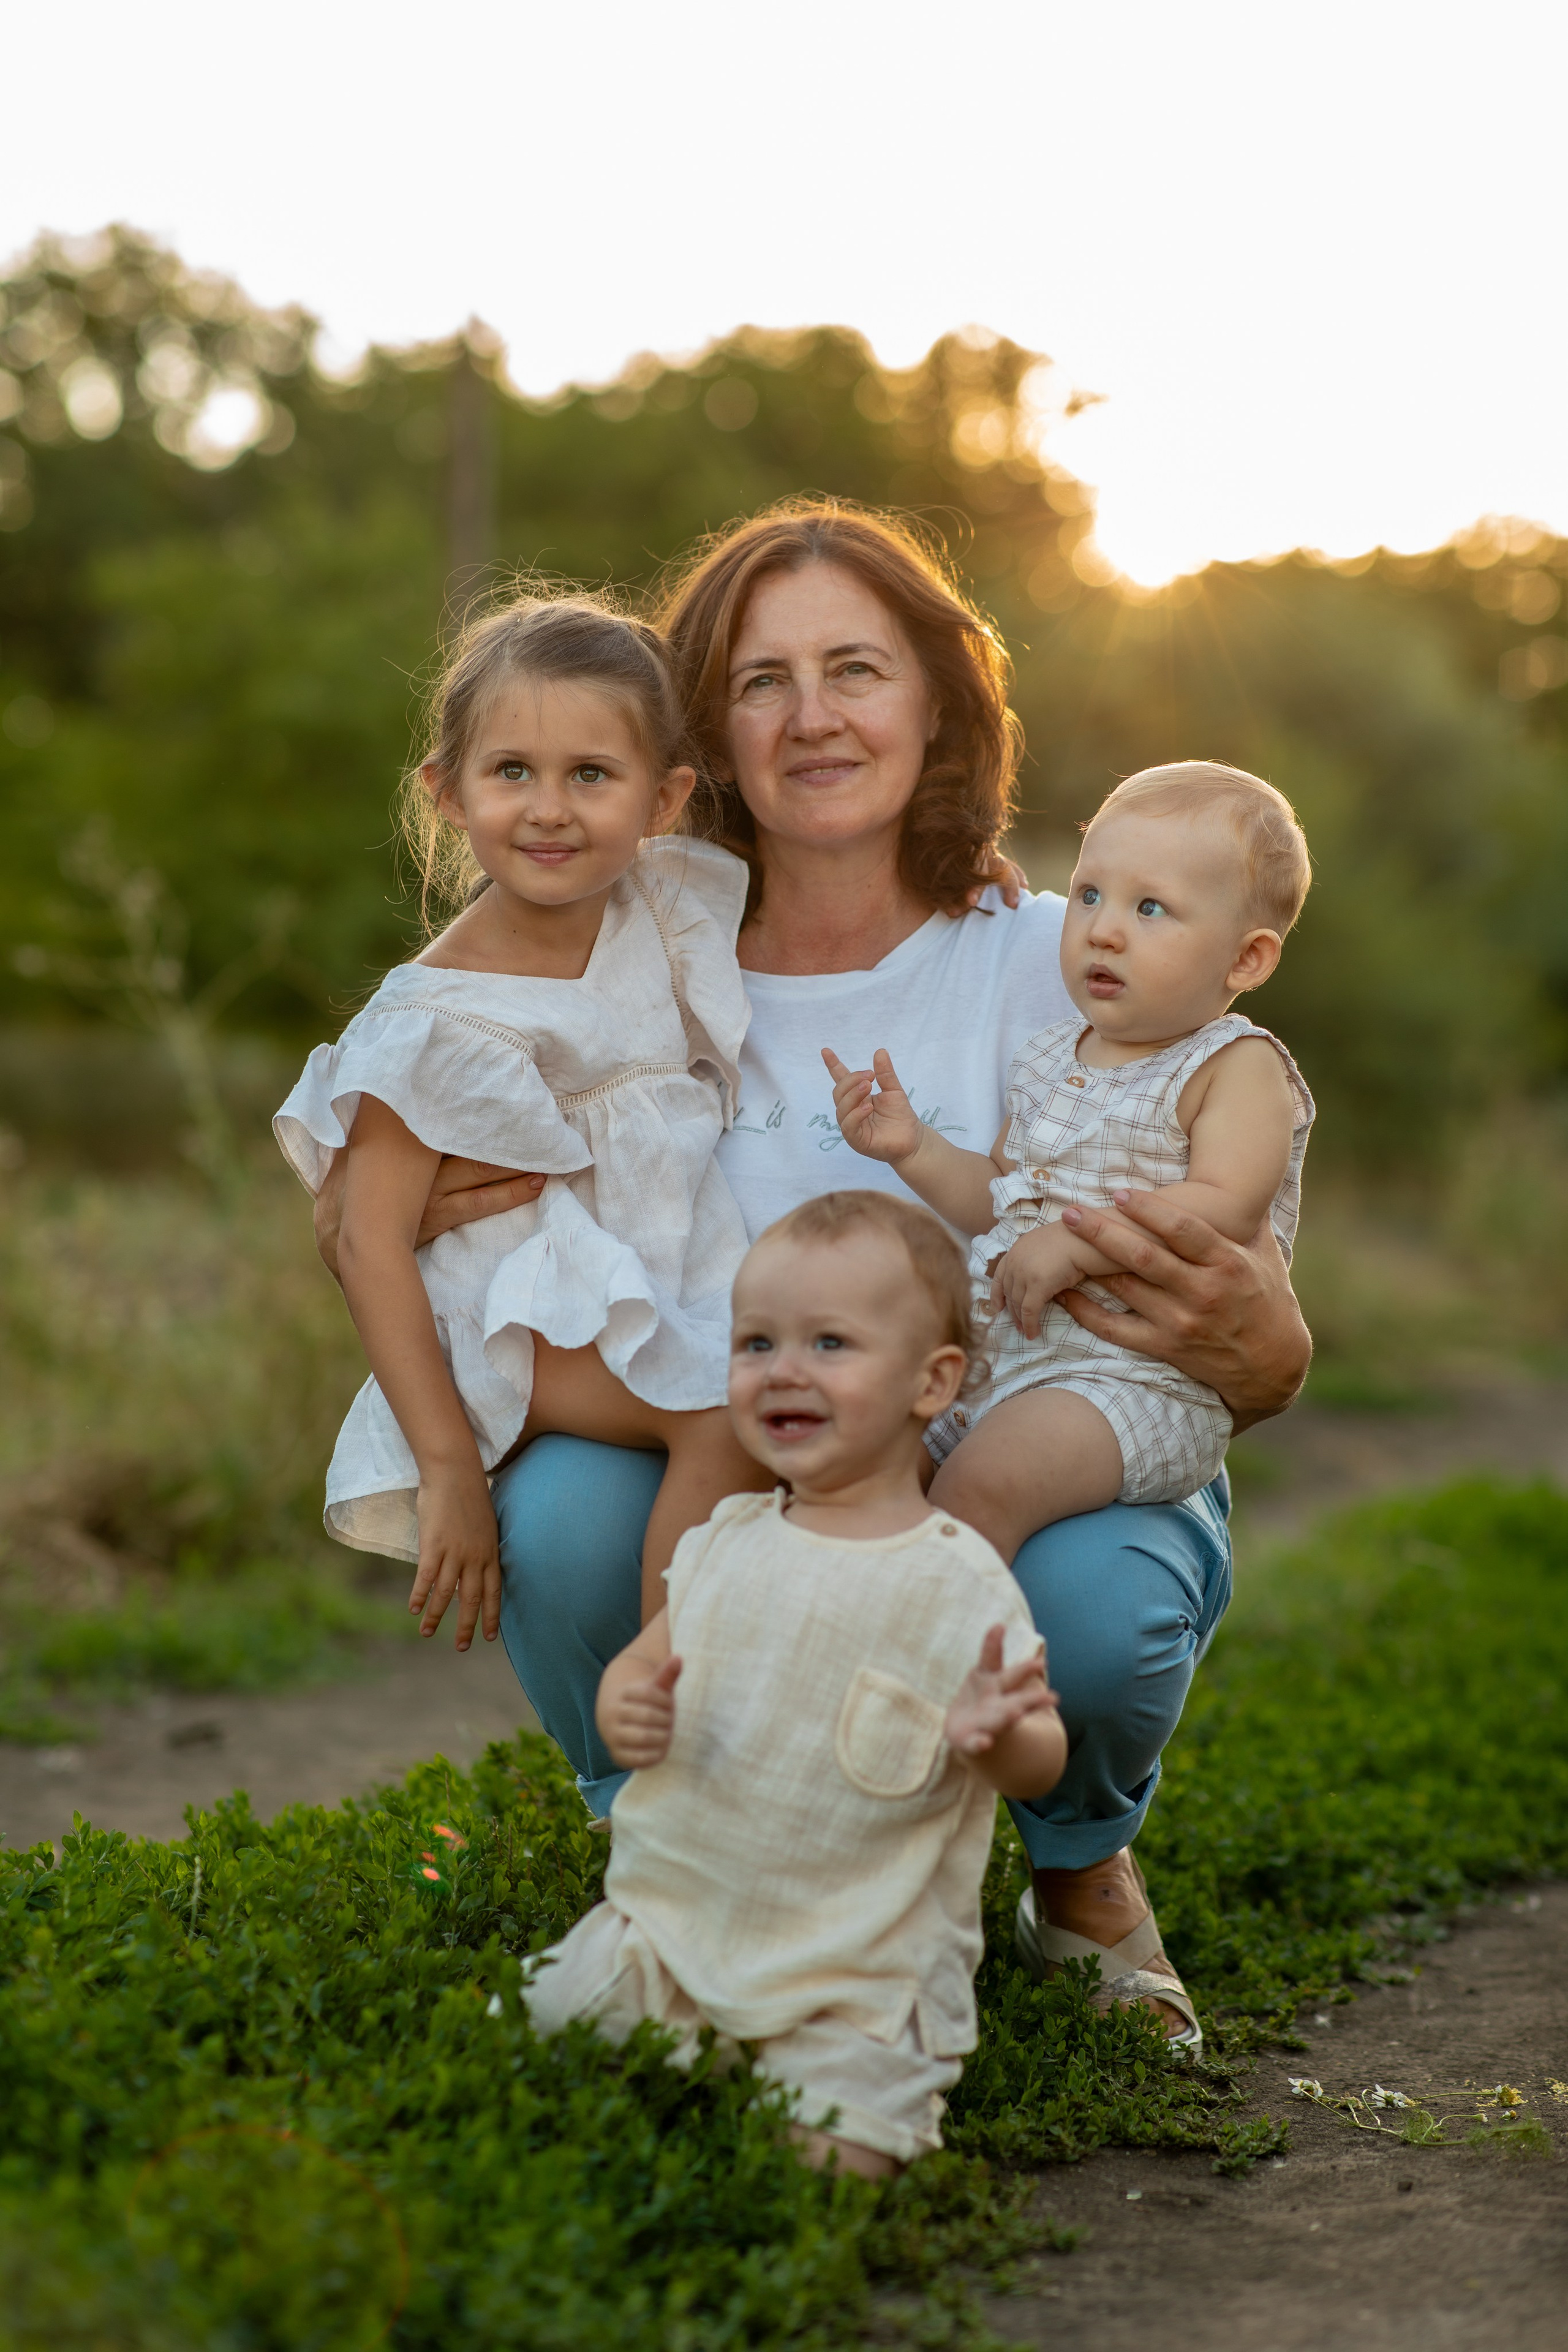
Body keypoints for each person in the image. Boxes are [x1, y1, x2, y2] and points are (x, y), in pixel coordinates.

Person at [314, 501, 1313, 2047]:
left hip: (1017, 1433)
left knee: (1087, 1610)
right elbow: (424, 1066)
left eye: (856, 667)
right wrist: (372, 1187)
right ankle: (682, 1848)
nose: (814, 714)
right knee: (565, 1516)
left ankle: (1077, 1873)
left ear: (937, 698)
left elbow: (1253, 1301)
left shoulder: (1072, 950)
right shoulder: (628, 938)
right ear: (700, 733)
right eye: (762, 678)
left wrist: (1265, 1351)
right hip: (735, 1433)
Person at [525, 1191, 1066, 2179]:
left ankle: (822, 2091)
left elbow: (1040, 1759)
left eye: (829, 1344)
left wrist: (1001, 1736)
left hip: (859, 1968)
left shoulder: (959, 1579)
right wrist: (626, 1702)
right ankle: (685, 2031)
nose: (783, 1370)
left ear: (931, 1382)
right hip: (680, 1925)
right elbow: (654, 1654)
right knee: (556, 2024)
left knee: (837, 2161)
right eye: (756, 1342)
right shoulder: (725, 1537)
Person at [276, 594, 768, 1652]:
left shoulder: (659, 907)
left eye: (591, 775)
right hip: (515, 1325)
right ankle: (666, 1692)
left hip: (649, 1288)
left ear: (665, 797)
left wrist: (964, 865)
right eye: (513, 773)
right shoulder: (438, 1021)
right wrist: (446, 1465)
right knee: (735, 1420)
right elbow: (369, 1240)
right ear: (447, 792)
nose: (551, 808)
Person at [827, 761, 1316, 1567]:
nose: (1104, 928)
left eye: (1150, 907)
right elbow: (1000, 1202)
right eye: (1090, 894)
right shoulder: (1052, 1055)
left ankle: (946, 1666)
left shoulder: (1236, 1066)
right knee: (871, 1472)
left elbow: (1226, 1204)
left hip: (1132, 1385)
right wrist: (913, 1146)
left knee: (978, 1490)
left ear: (1247, 960)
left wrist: (1080, 1244)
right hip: (1005, 1366)